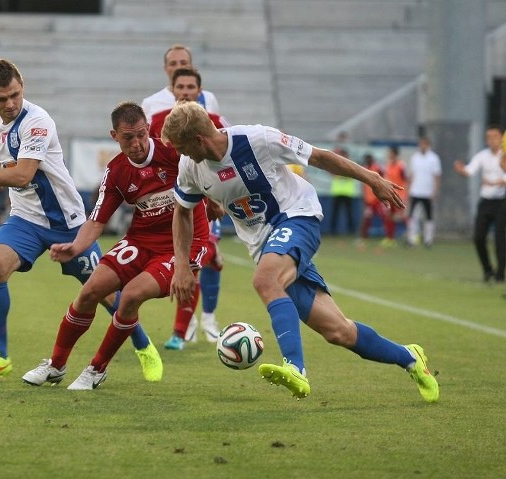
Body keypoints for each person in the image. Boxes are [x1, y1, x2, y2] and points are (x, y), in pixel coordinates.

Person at [162, 101, 439, 403]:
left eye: (182, 147)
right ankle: (411, 358)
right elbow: (182, 212)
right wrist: (182, 265)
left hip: (298, 217)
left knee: (265, 281)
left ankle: (296, 369)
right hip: (264, 244)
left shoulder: (258, 140)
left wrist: (371, 179)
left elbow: (319, 157)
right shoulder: (190, 167)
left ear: (199, 140)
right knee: (338, 331)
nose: (180, 153)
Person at [0, 58, 160, 381]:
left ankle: (144, 346)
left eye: (15, 94)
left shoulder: (38, 121)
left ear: (22, 86)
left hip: (68, 222)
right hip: (25, 220)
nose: (10, 103)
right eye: (1, 99)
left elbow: (22, 175)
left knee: (103, 292)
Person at [22, 101, 211, 390]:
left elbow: (208, 170)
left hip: (184, 244)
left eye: (141, 135)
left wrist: (217, 202)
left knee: (131, 295)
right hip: (141, 239)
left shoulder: (174, 153)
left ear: (148, 130)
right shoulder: (117, 172)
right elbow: (97, 221)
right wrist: (74, 247)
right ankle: (56, 366)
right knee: (90, 291)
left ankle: (96, 369)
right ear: (114, 136)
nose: (136, 143)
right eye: (127, 137)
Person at [148, 67, 228, 349]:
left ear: (199, 91)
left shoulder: (214, 121)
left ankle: (183, 331)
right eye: (179, 87)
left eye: (190, 87)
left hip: (203, 202)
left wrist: (216, 199)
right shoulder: (157, 121)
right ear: (172, 90)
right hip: (168, 202)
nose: (185, 92)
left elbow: (221, 162)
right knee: (203, 260)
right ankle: (195, 322)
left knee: (196, 261)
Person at [453, 125, 506, 283]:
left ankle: (500, 273)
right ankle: (487, 269)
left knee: (499, 238)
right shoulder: (483, 156)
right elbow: (470, 170)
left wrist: (497, 181)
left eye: (495, 136)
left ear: (501, 138)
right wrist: (461, 170)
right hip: (486, 201)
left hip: (502, 201)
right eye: (488, 137)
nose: (491, 140)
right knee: (478, 237)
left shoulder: (504, 156)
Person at [141, 44, 219, 125]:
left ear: (191, 65)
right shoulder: (150, 103)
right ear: (165, 68)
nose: (179, 67)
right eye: (173, 63)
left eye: (183, 63)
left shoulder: (208, 98)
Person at [407, 136, 442, 247]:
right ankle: (411, 239)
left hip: (427, 192)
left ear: (428, 145)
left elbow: (437, 176)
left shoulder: (434, 158)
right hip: (415, 191)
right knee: (413, 216)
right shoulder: (415, 157)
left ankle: (428, 240)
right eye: (421, 144)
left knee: (428, 217)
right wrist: (408, 189)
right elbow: (411, 175)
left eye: (424, 144)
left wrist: (435, 191)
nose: (422, 146)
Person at [358, 153, 393, 247]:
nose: (367, 161)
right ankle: (364, 238)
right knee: (366, 219)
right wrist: (364, 197)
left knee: (385, 217)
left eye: (369, 160)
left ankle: (389, 238)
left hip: (377, 199)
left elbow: (385, 178)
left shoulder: (377, 168)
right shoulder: (364, 169)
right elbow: (363, 185)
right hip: (369, 200)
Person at [328, 148, 358, 236]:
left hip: (348, 192)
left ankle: (351, 231)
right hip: (337, 191)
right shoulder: (336, 164)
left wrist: (340, 174)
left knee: (349, 213)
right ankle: (332, 231)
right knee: (335, 213)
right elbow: (332, 174)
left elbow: (353, 175)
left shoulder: (351, 164)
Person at [384, 145, 408, 243]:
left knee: (401, 216)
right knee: (388, 216)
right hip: (390, 194)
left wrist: (405, 195)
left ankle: (412, 235)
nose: (390, 155)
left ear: (395, 154)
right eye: (389, 153)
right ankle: (390, 239)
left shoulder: (401, 165)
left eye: (391, 153)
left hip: (400, 195)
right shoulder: (388, 165)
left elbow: (405, 180)